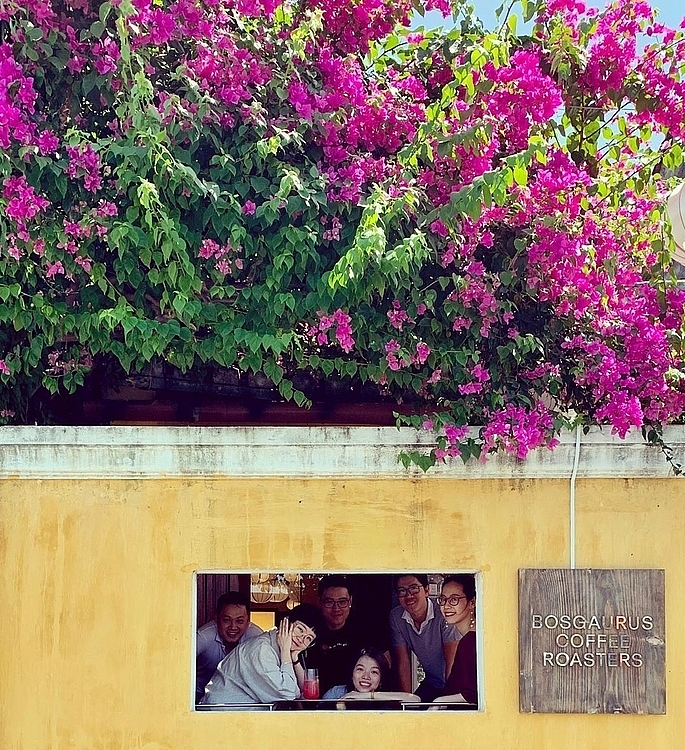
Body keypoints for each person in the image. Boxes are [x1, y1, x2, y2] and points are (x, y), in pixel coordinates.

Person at [202, 604, 324, 706]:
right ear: (285, 622)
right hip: (222, 715)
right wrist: (286, 654)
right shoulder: (262, 649)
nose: (301, 639)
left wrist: (294, 659)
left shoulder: (281, 649)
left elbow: (305, 693)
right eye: (300, 630)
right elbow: (287, 695)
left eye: (308, 638)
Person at [389, 574, 460, 702]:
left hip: (457, 683)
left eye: (414, 588)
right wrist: (406, 703)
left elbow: (452, 664)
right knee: (413, 710)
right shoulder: (396, 617)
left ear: (426, 590)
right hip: (433, 682)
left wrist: (449, 702)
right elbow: (403, 663)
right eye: (402, 591)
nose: (408, 595)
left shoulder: (443, 612)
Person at [196, 591, 262, 701]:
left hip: (239, 698)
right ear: (216, 618)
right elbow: (179, 661)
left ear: (248, 620)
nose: (233, 626)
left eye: (240, 621)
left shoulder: (256, 636)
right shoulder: (203, 636)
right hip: (198, 695)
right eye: (226, 620)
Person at [306, 575, 364, 695]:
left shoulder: (364, 628)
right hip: (317, 704)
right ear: (320, 602)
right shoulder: (309, 631)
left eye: (342, 602)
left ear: (350, 601)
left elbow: (383, 665)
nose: (336, 608)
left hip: (357, 701)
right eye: (329, 602)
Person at [434, 575, 478, 706]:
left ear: (472, 602)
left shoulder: (471, 641)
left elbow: (472, 694)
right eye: (443, 599)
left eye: (454, 599)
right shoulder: (469, 638)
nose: (446, 605)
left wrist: (438, 702)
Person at [321, 647, 419, 703]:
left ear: (381, 680)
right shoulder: (337, 693)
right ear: (352, 674)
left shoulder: (384, 696)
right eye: (360, 669)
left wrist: (365, 696)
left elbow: (415, 700)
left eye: (374, 672)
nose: (366, 676)